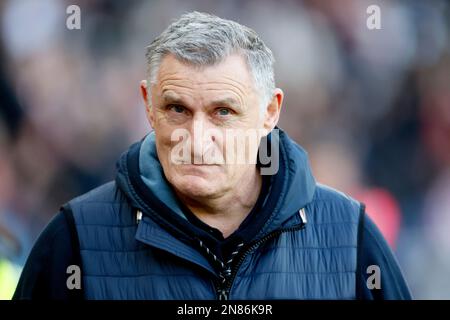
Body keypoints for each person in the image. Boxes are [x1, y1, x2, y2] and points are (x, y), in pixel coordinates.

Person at [13, 12, 411, 300]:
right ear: (148, 105)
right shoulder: (75, 239)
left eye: (223, 112)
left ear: (270, 112)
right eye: (177, 110)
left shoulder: (349, 236)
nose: (197, 139)